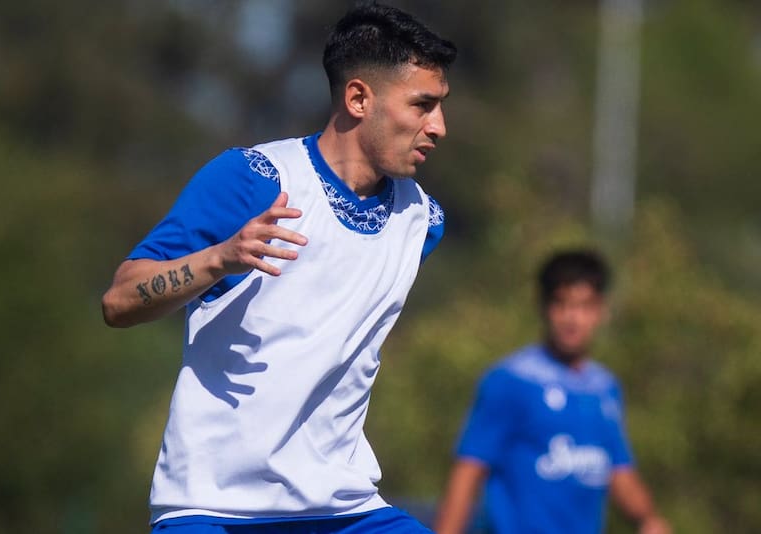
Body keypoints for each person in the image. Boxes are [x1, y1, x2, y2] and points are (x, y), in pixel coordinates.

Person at [101, 2, 456, 533]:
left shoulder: (422, 220)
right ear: (359, 98)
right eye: (423, 105)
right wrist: (220, 258)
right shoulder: (253, 179)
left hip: (343, 508)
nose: (440, 127)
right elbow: (120, 301)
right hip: (212, 506)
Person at [433, 249, 672, 534]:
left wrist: (649, 519)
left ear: (601, 310)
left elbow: (618, 471)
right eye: (562, 304)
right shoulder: (511, 380)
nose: (573, 318)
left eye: (585, 306)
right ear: (544, 306)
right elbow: (467, 473)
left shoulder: (605, 388)